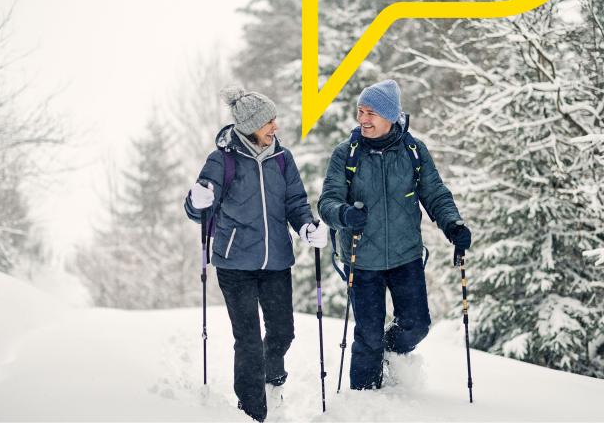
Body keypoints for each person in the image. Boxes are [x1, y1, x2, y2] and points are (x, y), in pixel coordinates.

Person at [184, 87, 328, 422]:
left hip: (277, 261)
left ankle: (272, 382)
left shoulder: (283, 158)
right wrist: (196, 202)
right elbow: (198, 208)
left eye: (274, 119)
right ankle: (252, 412)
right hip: (235, 265)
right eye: (268, 122)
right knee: (247, 340)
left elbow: (295, 202)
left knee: (282, 331)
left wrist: (307, 227)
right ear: (250, 126)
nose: (275, 126)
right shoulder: (222, 160)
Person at [318, 79, 472, 390]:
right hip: (361, 259)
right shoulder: (346, 154)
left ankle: (389, 354)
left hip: (406, 256)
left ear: (391, 116)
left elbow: (435, 194)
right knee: (368, 334)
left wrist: (453, 225)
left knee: (416, 326)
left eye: (371, 113)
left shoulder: (414, 152)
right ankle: (363, 400)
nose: (363, 119)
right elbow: (327, 201)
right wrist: (344, 213)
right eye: (360, 111)